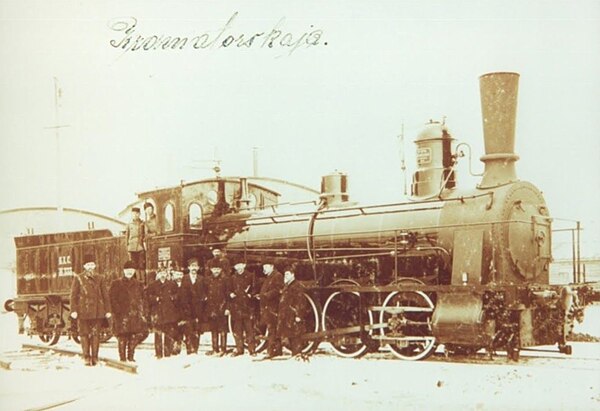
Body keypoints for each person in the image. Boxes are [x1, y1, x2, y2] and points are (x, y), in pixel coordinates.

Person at [70, 253, 112, 366]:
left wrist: (108, 310)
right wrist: (73, 310)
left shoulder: (100, 278)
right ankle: (86, 357)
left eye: (92, 264)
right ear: (84, 266)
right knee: (83, 334)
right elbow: (73, 296)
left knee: (95, 334)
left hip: (97, 312)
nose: (90, 266)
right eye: (88, 264)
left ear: (95, 266)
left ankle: (95, 357)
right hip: (83, 311)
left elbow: (105, 295)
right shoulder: (78, 278)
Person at [109, 260, 148, 362]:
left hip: (135, 315)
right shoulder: (116, 283)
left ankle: (131, 356)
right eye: (127, 270)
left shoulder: (139, 284)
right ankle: (122, 358)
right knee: (122, 337)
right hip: (121, 315)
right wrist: (117, 311)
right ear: (124, 271)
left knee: (134, 336)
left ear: (134, 271)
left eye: (131, 270)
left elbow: (143, 299)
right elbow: (112, 299)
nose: (129, 272)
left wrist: (142, 312)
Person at [145, 268, 178, 359]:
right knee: (158, 334)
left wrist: (173, 297)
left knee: (168, 333)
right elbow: (147, 296)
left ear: (167, 274)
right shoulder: (153, 285)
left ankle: (167, 353)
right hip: (157, 313)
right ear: (158, 274)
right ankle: (158, 354)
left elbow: (177, 295)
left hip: (169, 312)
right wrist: (155, 299)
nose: (163, 275)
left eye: (164, 273)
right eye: (161, 273)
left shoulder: (172, 284)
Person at [277, 267, 310, 357]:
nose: (285, 276)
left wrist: (299, 315)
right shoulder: (287, 286)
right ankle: (295, 355)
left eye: (287, 274)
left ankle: (297, 355)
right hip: (287, 317)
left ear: (293, 275)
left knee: (296, 337)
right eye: (285, 275)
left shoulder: (297, 286)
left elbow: (301, 302)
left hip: (293, 316)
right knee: (290, 336)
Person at [228, 262, 256, 356]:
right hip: (236, 307)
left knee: (249, 329)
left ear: (244, 266)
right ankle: (239, 349)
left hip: (247, 307)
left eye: (241, 265)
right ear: (235, 267)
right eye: (237, 266)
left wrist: (250, 294)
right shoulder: (232, 278)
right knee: (237, 330)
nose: (239, 268)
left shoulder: (250, 276)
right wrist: (230, 294)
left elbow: (255, 288)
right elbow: (228, 289)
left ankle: (252, 350)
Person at [259, 261, 284, 359]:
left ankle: (271, 351)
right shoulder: (270, 276)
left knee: (272, 329)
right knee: (272, 329)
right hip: (268, 306)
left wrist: (266, 295)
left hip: (274, 306)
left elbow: (278, 289)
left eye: (266, 266)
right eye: (263, 266)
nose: (264, 268)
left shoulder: (277, 276)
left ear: (272, 266)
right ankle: (277, 350)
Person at [204, 262, 230, 356]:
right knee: (213, 329)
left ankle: (223, 349)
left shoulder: (225, 280)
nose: (216, 271)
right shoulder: (207, 280)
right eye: (214, 269)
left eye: (218, 269)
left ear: (221, 270)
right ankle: (215, 348)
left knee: (223, 329)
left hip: (222, 308)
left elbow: (228, 296)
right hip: (211, 309)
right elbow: (204, 294)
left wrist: (227, 308)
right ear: (211, 269)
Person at [184, 258, 204, 354]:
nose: (194, 268)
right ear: (188, 267)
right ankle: (189, 349)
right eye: (192, 266)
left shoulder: (201, 279)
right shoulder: (184, 278)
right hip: (187, 309)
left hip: (198, 308)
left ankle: (195, 349)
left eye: (195, 266)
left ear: (198, 268)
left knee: (197, 329)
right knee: (188, 329)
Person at [172, 269, 193, 355]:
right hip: (174, 313)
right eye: (177, 275)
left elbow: (191, 298)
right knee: (176, 332)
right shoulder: (170, 285)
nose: (179, 277)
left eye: (181, 275)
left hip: (185, 313)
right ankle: (176, 349)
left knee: (187, 332)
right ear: (173, 275)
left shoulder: (187, 285)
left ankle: (189, 349)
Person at [125, 207, 146, 272]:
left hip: (140, 246)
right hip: (132, 247)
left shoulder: (142, 223)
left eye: (137, 213)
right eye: (133, 214)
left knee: (141, 265)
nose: (135, 215)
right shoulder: (129, 224)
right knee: (133, 265)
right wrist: (127, 247)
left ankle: (142, 280)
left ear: (139, 214)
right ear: (131, 214)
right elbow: (127, 236)